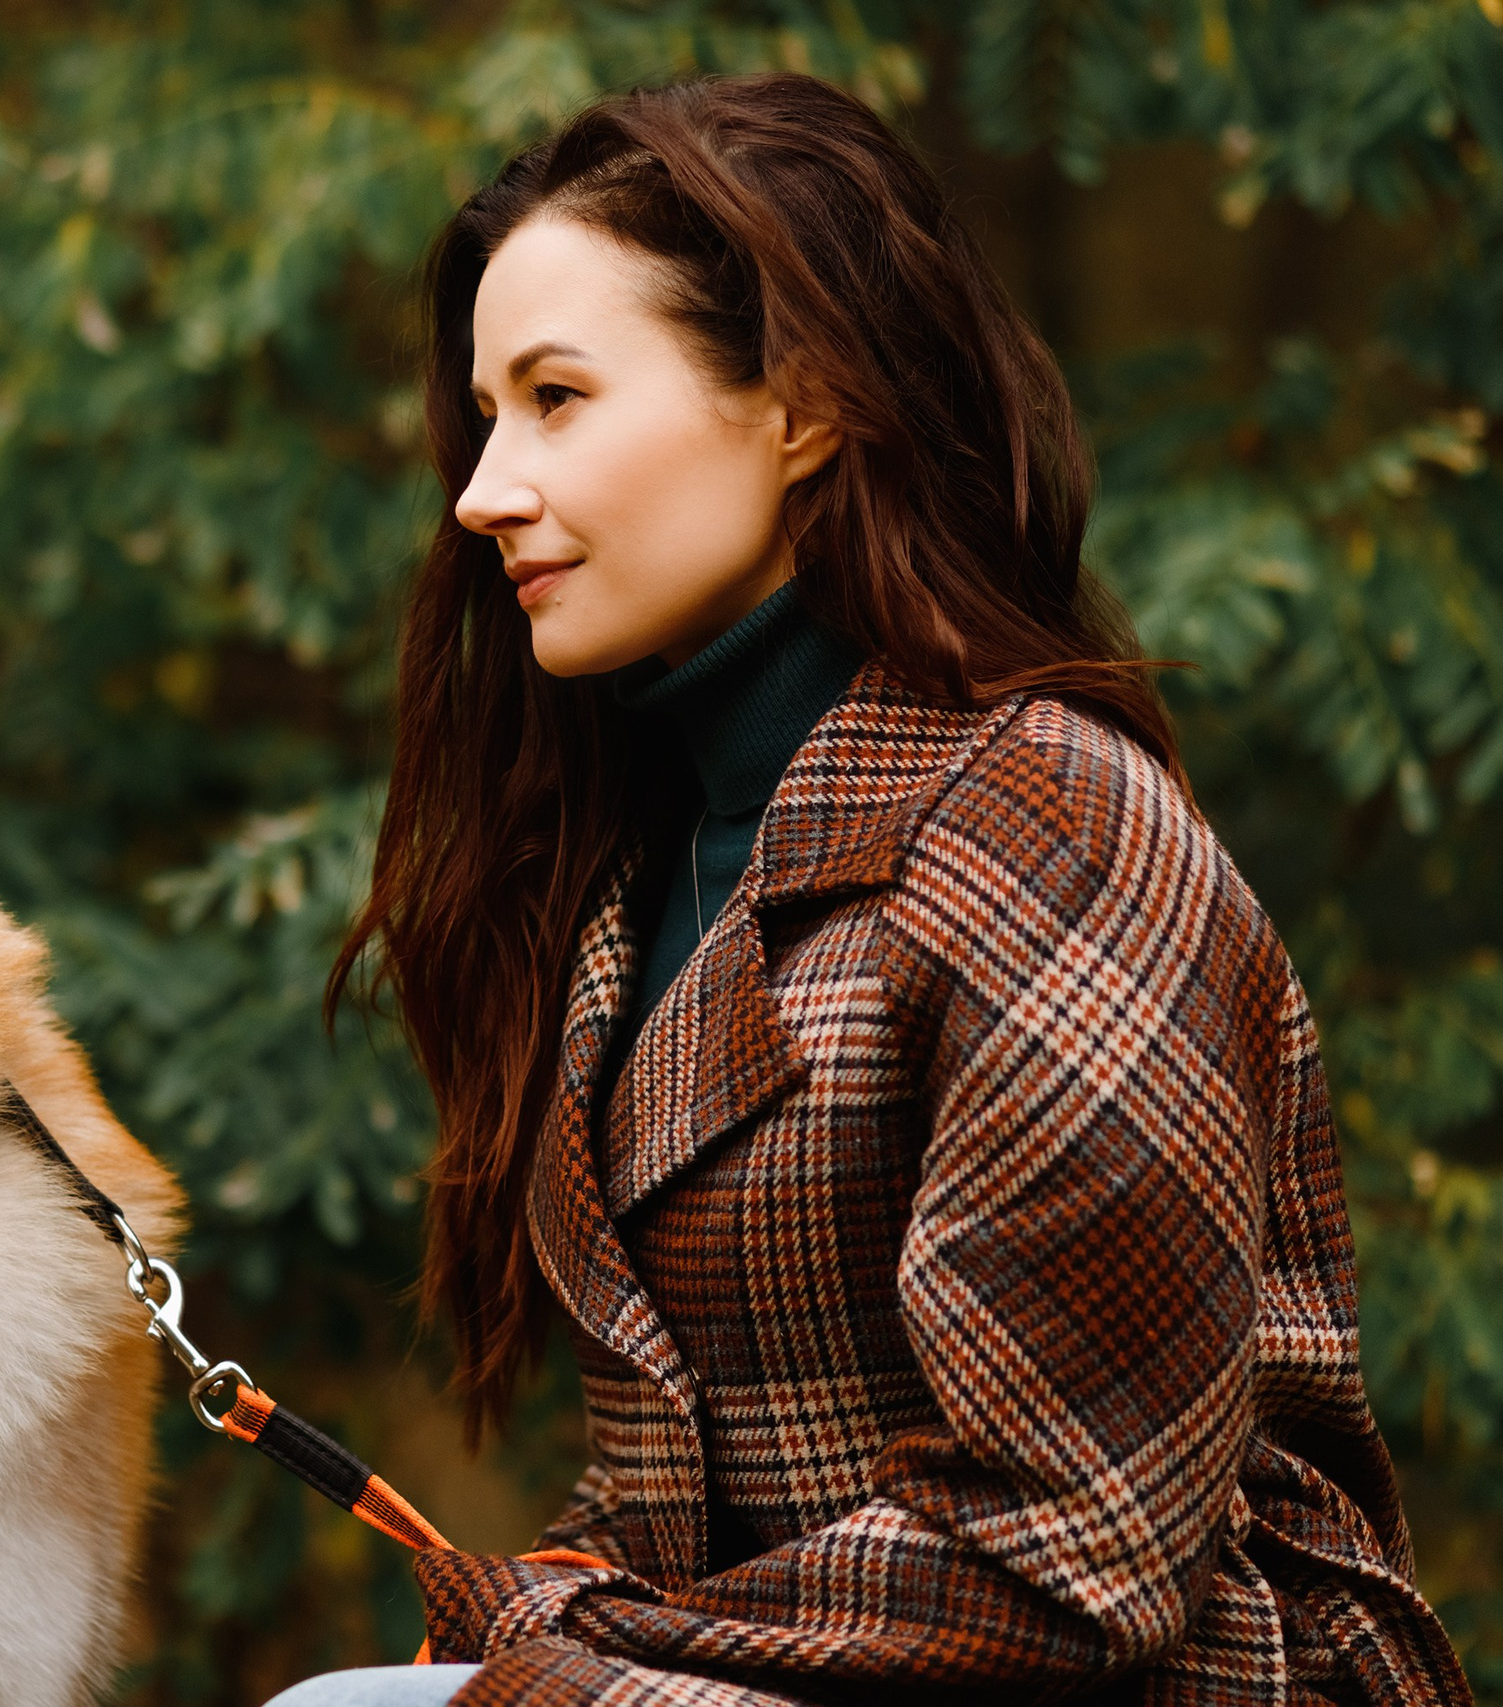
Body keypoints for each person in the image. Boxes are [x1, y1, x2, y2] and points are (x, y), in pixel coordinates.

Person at [278, 73, 1473, 1707]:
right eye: (487, 416)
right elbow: (694, 1500)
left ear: (804, 405)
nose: (484, 488)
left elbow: (1070, 1553)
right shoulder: (645, 870)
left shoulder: (1047, 833)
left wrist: (562, 1656)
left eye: (556, 398)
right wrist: (554, 1602)